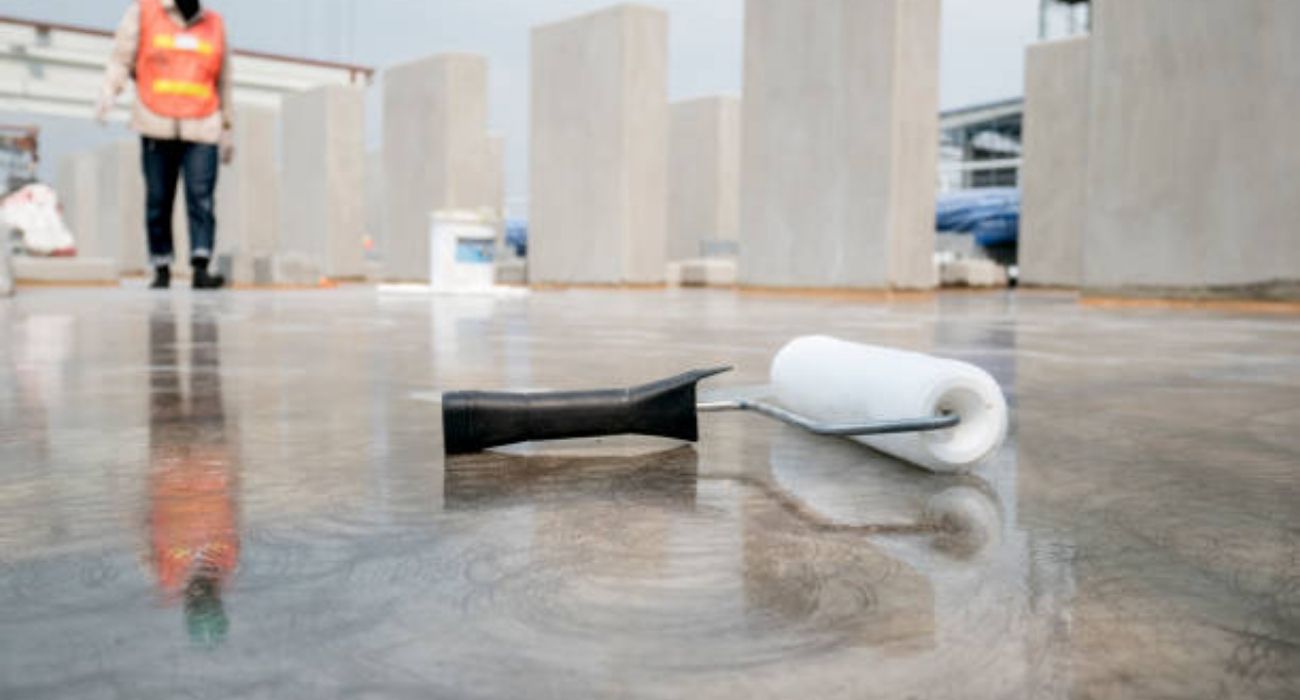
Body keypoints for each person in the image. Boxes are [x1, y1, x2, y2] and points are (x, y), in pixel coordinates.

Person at [97, 0, 233, 290]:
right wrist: (109, 90)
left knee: (202, 198)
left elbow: (224, 80)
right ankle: (161, 266)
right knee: (158, 199)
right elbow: (122, 57)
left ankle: (200, 266)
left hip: (203, 123)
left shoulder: (215, 23)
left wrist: (227, 126)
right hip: (156, 120)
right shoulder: (144, 12)